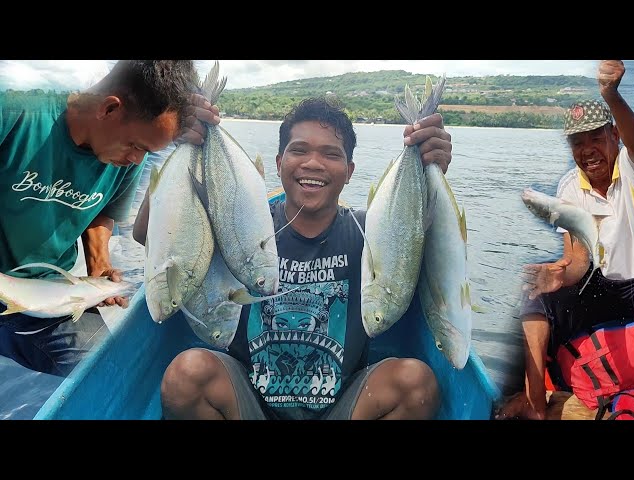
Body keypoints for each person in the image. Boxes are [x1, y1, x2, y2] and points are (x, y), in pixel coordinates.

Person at [133, 95, 454, 420]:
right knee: (185, 375)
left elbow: (430, 256)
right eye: (299, 150)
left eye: (331, 154)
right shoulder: (238, 226)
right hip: (248, 400)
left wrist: (430, 173)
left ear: (349, 171)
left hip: (345, 404)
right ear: (278, 163)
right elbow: (150, 237)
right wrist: (180, 145)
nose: (313, 163)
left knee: (417, 384)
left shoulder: (369, 233)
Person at [0, 60, 219, 377]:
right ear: (109, 109)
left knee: (116, 371)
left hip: (50, 298)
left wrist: (99, 262)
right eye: (135, 145)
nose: (137, 159)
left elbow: (101, 211)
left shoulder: (126, 161)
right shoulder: (16, 111)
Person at [496, 60, 634, 420]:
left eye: (596, 137)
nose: (587, 149)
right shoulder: (569, 187)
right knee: (535, 296)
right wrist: (560, 276)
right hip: (605, 288)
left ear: (615, 136)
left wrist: (611, 94)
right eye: (578, 141)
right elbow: (577, 259)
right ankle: (536, 404)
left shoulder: (633, 165)